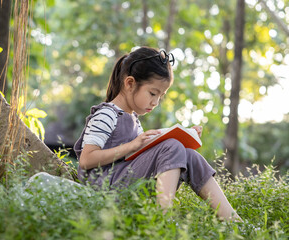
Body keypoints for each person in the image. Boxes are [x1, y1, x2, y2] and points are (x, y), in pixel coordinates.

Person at [74, 46, 242, 221]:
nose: (155, 102)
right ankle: (164, 220)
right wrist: (131, 146)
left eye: (160, 96)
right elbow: (86, 160)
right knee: (172, 146)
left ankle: (232, 220)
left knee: (189, 155)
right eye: (153, 93)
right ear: (130, 83)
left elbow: (135, 157)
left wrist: (183, 136)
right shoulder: (106, 114)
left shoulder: (134, 120)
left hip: (124, 180)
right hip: (105, 189)